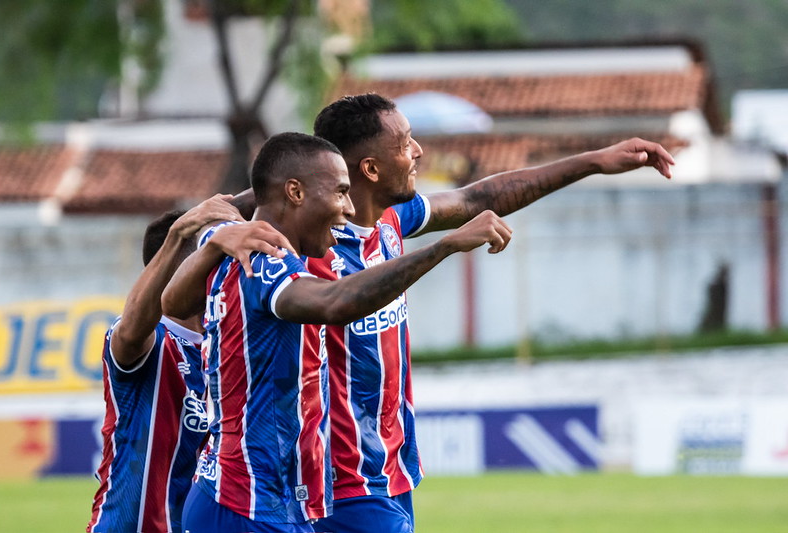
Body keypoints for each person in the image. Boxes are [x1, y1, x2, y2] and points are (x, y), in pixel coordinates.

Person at [301, 93, 677, 533]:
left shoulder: (390, 221)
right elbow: (335, 297)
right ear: (369, 168)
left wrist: (592, 161)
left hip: (392, 468)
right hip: (340, 482)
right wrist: (445, 245)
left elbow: (480, 195)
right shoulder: (310, 253)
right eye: (405, 143)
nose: (418, 151)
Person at [160, 132, 512, 533]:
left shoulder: (234, 245)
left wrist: (210, 245)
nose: (347, 208)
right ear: (294, 192)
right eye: (340, 192)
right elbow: (334, 304)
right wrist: (442, 248)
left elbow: (172, 303)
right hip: (248, 503)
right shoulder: (265, 261)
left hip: (259, 497)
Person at [87, 195, 293, 533]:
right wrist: (181, 234)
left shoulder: (228, 345)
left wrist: (285, 181)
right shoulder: (155, 342)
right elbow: (131, 329)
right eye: (221, 257)